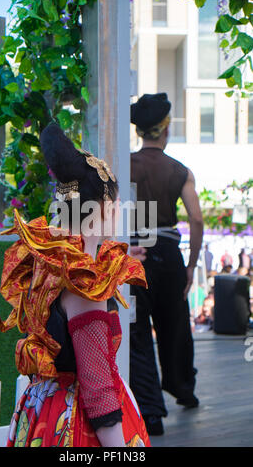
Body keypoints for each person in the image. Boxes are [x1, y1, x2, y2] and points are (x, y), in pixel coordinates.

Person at [0, 123, 151, 448]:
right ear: (103, 208)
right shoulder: (85, 285)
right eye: (117, 202)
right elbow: (97, 390)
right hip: (74, 424)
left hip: (40, 412)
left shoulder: (45, 264)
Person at [129, 93, 204, 436]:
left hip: (136, 251)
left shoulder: (124, 164)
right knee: (175, 324)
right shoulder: (180, 170)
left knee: (139, 330)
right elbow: (197, 220)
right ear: (165, 129)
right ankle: (183, 388)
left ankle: (150, 412)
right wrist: (191, 266)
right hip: (170, 253)